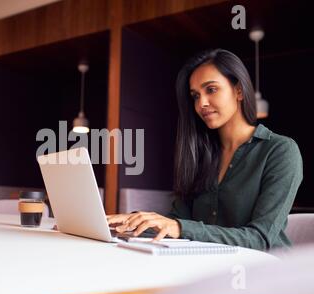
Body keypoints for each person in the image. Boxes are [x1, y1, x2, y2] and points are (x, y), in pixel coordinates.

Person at [107, 49, 303, 251]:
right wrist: (133, 222)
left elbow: (259, 239)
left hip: (264, 271)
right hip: (206, 265)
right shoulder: (200, 155)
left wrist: (178, 227)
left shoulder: (281, 151)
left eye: (211, 89)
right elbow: (178, 223)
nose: (201, 104)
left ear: (239, 91)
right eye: (195, 96)